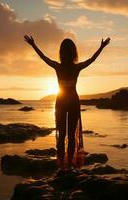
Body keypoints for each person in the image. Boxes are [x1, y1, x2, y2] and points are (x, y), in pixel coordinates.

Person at [24, 35, 110, 168]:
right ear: (73, 53)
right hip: (73, 101)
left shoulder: (58, 67)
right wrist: (101, 47)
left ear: (61, 53)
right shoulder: (77, 67)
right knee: (70, 135)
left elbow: (43, 57)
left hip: (62, 101)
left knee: (62, 134)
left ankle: (62, 166)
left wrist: (33, 45)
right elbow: (92, 59)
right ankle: (69, 165)